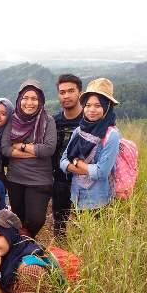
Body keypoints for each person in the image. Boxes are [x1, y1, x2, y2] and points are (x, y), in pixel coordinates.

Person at [1, 80, 57, 237]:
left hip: (40, 180)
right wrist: (35, 151)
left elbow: (48, 149)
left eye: (34, 98)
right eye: (26, 98)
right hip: (15, 179)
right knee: (18, 220)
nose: (29, 102)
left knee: (36, 220)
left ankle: (26, 240)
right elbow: (5, 148)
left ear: (41, 101)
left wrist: (21, 146)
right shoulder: (12, 120)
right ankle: (22, 246)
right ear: (19, 99)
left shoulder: (48, 121)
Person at [60, 78, 121, 210]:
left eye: (97, 106)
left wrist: (77, 163)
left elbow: (101, 172)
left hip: (99, 201)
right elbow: (63, 161)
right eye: (87, 105)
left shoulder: (111, 135)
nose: (91, 110)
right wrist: (86, 168)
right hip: (77, 196)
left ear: (107, 106)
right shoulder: (79, 130)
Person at [52, 74, 83, 237]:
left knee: (84, 225)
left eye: (71, 91)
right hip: (60, 180)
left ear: (80, 92)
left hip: (85, 181)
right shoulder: (54, 122)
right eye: (62, 92)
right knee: (59, 224)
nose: (66, 95)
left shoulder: (90, 120)